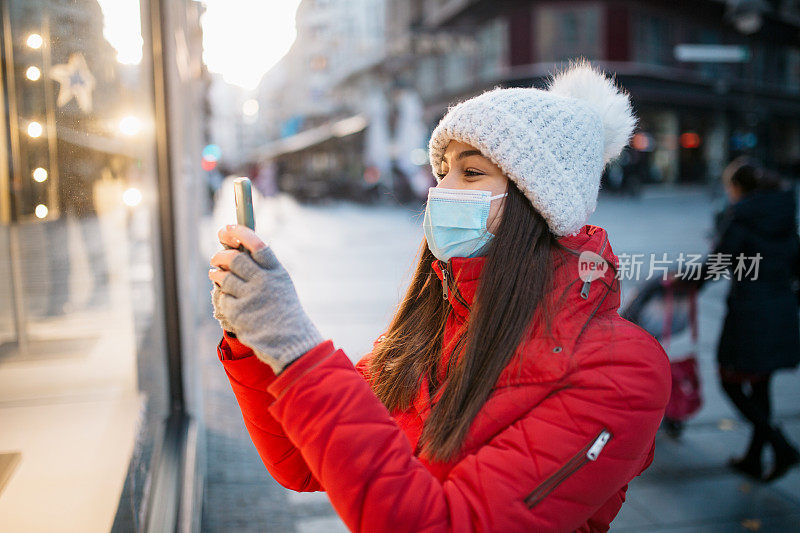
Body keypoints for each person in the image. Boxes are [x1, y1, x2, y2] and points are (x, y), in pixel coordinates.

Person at [208, 60, 671, 532]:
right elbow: (300, 460)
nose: (440, 188)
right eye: (444, 170)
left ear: (540, 203)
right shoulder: (438, 320)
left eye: (471, 173)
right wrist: (252, 337)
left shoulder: (621, 369)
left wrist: (295, 345)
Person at [674, 156, 800, 482]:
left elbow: (718, 262)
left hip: (749, 315)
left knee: (730, 380)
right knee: (760, 385)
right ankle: (755, 458)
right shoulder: (785, 213)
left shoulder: (742, 215)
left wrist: (685, 284)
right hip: (781, 309)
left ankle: (779, 445)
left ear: (739, 188)